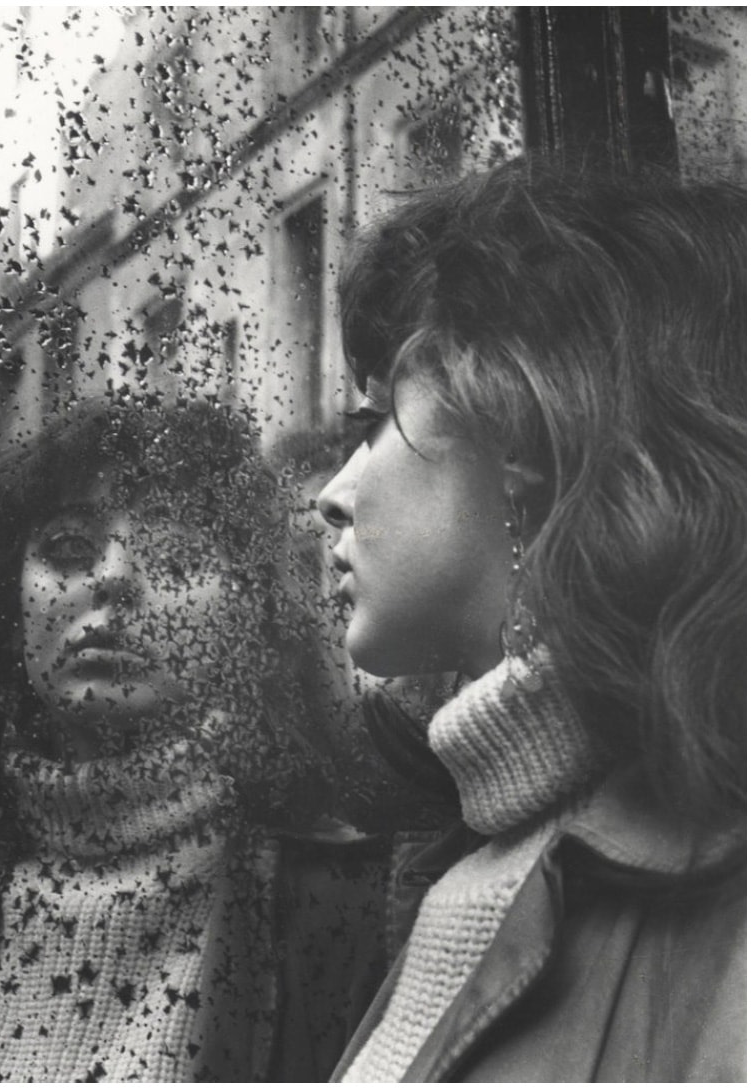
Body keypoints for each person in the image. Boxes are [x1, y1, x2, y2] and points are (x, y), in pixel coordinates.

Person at [316, 162, 745, 1081]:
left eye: (369, 421)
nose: (331, 496)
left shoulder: (717, 902)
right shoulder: (462, 859)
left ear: (516, 424)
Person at [0, 395, 396, 1082]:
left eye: (175, 557)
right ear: (10, 605)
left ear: (250, 612)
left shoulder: (342, 907)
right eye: (68, 550)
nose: (115, 579)